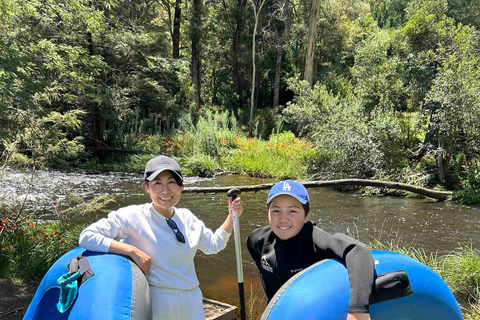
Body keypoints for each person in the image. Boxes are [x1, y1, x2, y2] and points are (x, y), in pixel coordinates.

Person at [79, 155, 243, 320]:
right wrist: (131, 250)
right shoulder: (132, 216)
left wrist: (231, 216)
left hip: (192, 303)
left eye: (171, 182)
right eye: (157, 183)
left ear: (181, 185)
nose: (165, 190)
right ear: (147, 187)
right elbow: (87, 236)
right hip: (156, 303)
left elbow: (214, 245)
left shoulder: (188, 218)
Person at [246, 179, 374, 320]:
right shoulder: (259, 238)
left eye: (292, 211)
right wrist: (263, 268)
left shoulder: (314, 238)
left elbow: (358, 251)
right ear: (268, 212)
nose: (283, 219)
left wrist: (357, 311)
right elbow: (250, 245)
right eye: (276, 210)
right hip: (277, 313)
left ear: (307, 215)